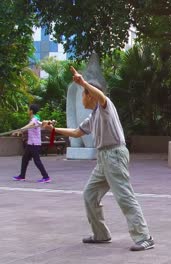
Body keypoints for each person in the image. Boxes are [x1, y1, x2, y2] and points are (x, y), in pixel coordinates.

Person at [42, 67, 154, 251]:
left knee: (125, 197)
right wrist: (53, 130)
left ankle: (144, 237)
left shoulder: (105, 106)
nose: (81, 99)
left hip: (115, 155)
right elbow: (77, 132)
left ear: (90, 95)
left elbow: (101, 96)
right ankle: (101, 234)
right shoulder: (93, 116)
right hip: (103, 157)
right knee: (89, 195)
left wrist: (83, 82)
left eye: (83, 94)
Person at [12, 104, 51, 183]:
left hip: (34, 144)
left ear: (31, 111)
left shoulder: (34, 119)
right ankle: (22, 176)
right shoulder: (36, 119)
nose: (27, 111)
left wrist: (20, 130)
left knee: (37, 161)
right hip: (31, 144)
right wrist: (20, 131)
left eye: (28, 109)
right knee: (25, 159)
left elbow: (31, 125)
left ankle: (46, 177)